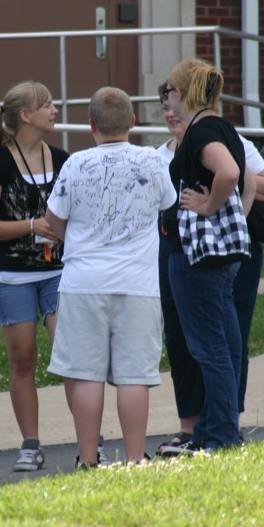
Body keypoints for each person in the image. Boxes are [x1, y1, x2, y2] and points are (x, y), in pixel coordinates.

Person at [45, 86, 176, 468]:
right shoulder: (153, 161)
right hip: (137, 284)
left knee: (86, 375)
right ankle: (135, 459)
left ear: (91, 125)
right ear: (132, 122)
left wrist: (76, 240)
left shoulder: (75, 163)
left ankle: (88, 460)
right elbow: (167, 205)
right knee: (135, 376)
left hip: (84, 282)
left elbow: (53, 219)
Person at [153, 84, 264, 456]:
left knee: (212, 348)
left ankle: (222, 433)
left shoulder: (205, 134)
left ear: (186, 95)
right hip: (215, 253)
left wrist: (209, 207)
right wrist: (234, 218)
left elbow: (234, 174)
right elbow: (244, 179)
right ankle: (212, 429)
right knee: (221, 343)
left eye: (171, 99)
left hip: (201, 254)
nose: (168, 109)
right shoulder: (219, 131)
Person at [0, 81, 69, 472]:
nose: (55, 109)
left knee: (71, 354)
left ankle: (90, 440)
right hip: (13, 277)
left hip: (60, 273)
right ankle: (30, 444)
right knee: (23, 359)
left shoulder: (63, 160)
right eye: (47, 104)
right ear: (26, 115)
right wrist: (31, 225)